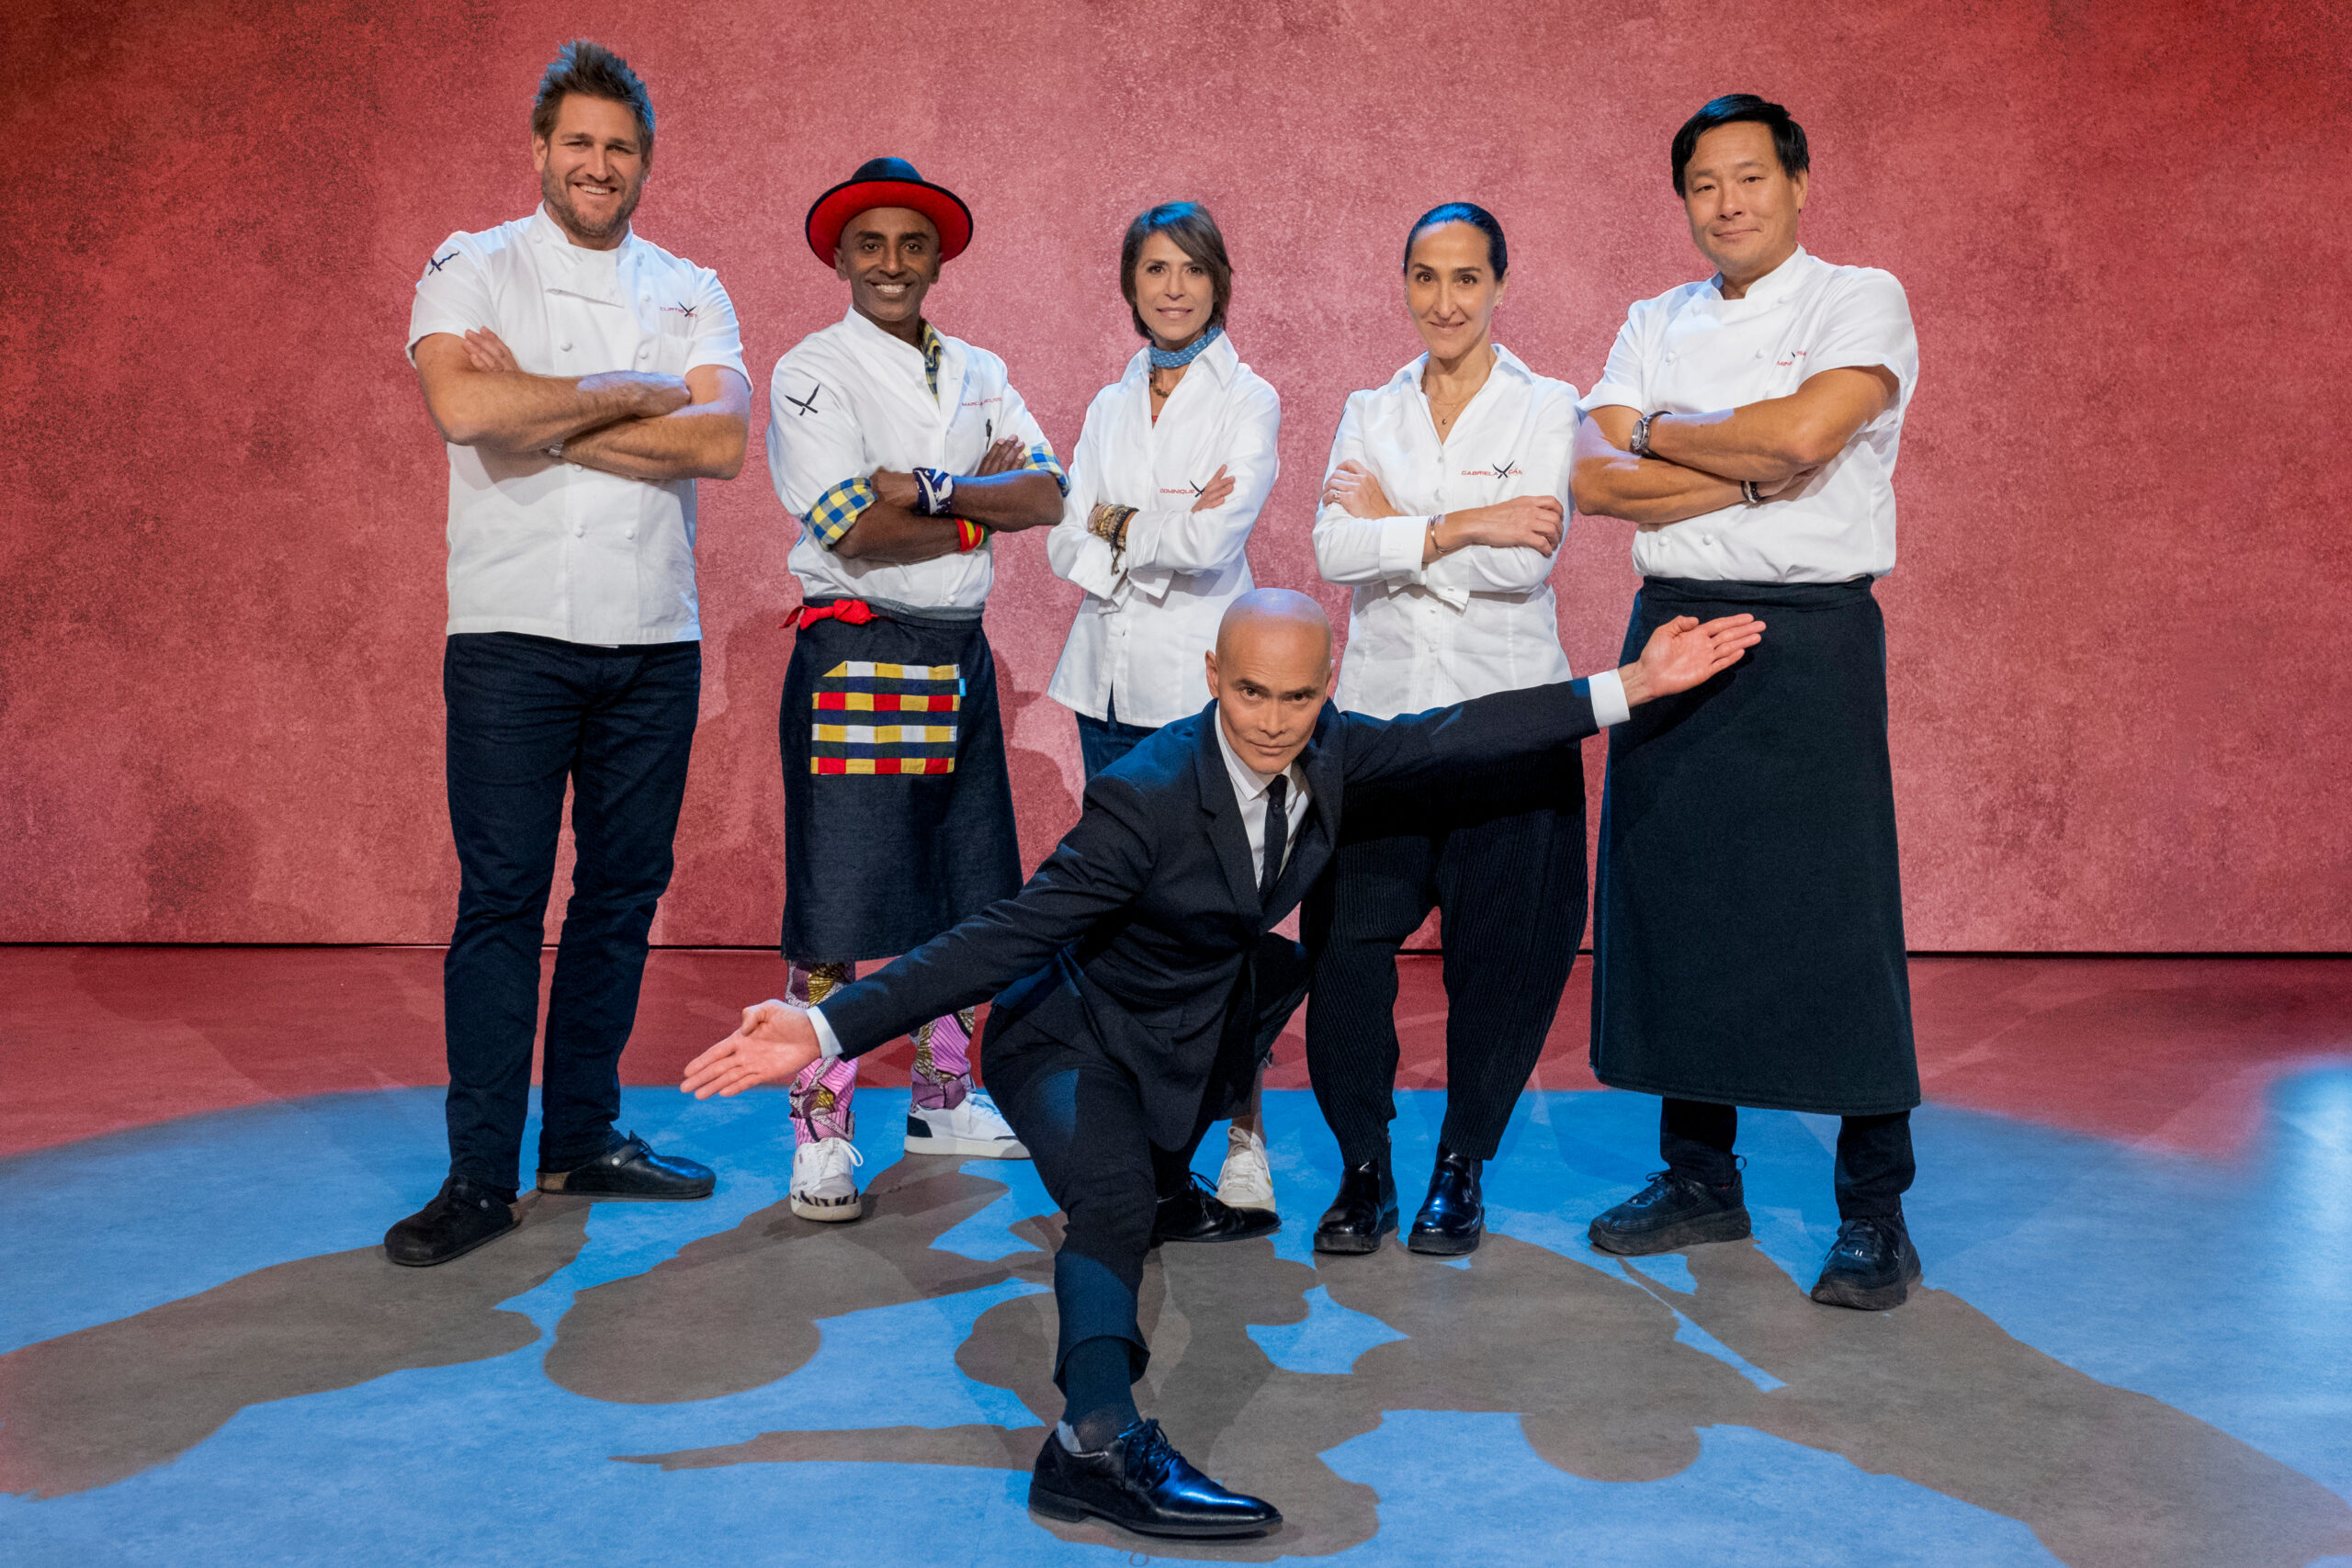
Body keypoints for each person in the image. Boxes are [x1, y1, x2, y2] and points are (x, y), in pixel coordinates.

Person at [682, 589, 1764, 1539]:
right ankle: (1094, 1443)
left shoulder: (1331, 749)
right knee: (1107, 1204)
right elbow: (1005, 934)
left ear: (1325, 689)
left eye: (1296, 700)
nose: (1272, 723)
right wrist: (826, 1030)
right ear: (1212, 679)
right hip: (1064, 1037)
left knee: (1262, 983)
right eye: (1250, 695)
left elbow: (1457, 733)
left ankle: (1167, 1182)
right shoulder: (1144, 798)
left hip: (1185, 1025)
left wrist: (1630, 682)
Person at [387, 40, 749, 1267]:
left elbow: (719, 446)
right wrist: (633, 392)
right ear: (541, 150)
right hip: (509, 636)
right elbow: (462, 410)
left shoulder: (694, 281)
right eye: (580, 143)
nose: (599, 165)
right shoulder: (470, 262)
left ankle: (582, 1132)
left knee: (620, 894)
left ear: (646, 163)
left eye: (621, 147)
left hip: (655, 637)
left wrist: (546, 417)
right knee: (502, 900)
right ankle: (480, 1174)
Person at [1569, 94, 1926, 1309]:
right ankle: (1699, 1171)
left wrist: (1669, 434)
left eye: (1750, 179)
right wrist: (1756, 463)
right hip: (1671, 627)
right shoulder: (1649, 318)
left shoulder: (1858, 296)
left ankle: (1873, 1205)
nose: (1726, 204)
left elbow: (1817, 427)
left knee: (1838, 914)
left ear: (1800, 182)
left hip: (1810, 631)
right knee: (1680, 901)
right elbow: (1594, 478)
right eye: (1703, 186)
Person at [762, 157, 1069, 1223]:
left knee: (967, 897)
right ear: (840, 258)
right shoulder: (812, 370)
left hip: (958, 648)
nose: (892, 263)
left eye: (912, 245)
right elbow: (853, 525)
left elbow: (1050, 489)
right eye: (870, 245)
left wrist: (936, 488)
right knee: (835, 908)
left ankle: (943, 1098)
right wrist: (984, 505)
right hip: (859, 649)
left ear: (937, 258)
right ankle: (822, 1132)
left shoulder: (980, 366)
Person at [1306, 202, 1584, 1258]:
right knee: (1343, 955)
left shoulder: (1550, 403)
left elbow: (1534, 557)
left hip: (1508, 726)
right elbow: (1333, 548)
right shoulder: (1367, 406)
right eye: (1425, 277)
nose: (1444, 300)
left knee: (1499, 961)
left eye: (1466, 278)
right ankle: (1363, 1169)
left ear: (1499, 285)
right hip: (1381, 728)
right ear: (1404, 284)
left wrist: (1397, 526)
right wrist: (1467, 519)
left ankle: (1461, 1164)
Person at [1046, 200, 1284, 1218]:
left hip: (1197, 693)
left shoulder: (1252, 399)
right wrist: (1138, 523)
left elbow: (1212, 544)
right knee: (1122, 924)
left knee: (1220, 923)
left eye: (1191, 269)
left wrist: (1115, 521)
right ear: (1130, 285)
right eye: (1154, 270)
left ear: (1219, 280)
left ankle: (1241, 1132)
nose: (1173, 287)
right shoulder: (1108, 404)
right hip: (1103, 683)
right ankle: (1133, 1143)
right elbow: (1064, 540)